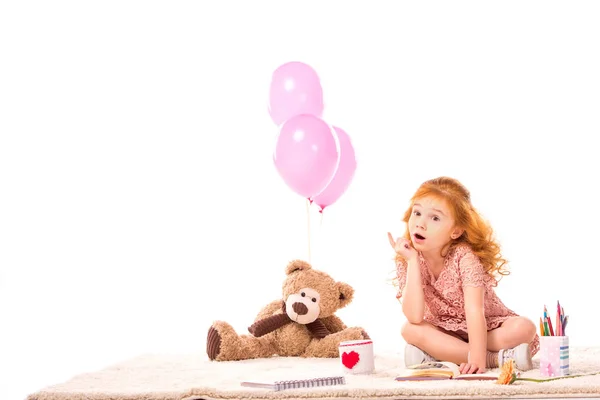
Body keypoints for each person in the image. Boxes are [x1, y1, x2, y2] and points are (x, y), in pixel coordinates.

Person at [389, 176, 539, 374]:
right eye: (417, 213)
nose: (420, 224)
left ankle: (442, 354)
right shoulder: (407, 258)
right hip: (445, 329)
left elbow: (475, 310)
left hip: (487, 327)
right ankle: (497, 359)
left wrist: (477, 360)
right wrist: (412, 261)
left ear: (456, 231)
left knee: (524, 328)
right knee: (409, 329)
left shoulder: (464, 256)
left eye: (434, 218)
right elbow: (414, 316)